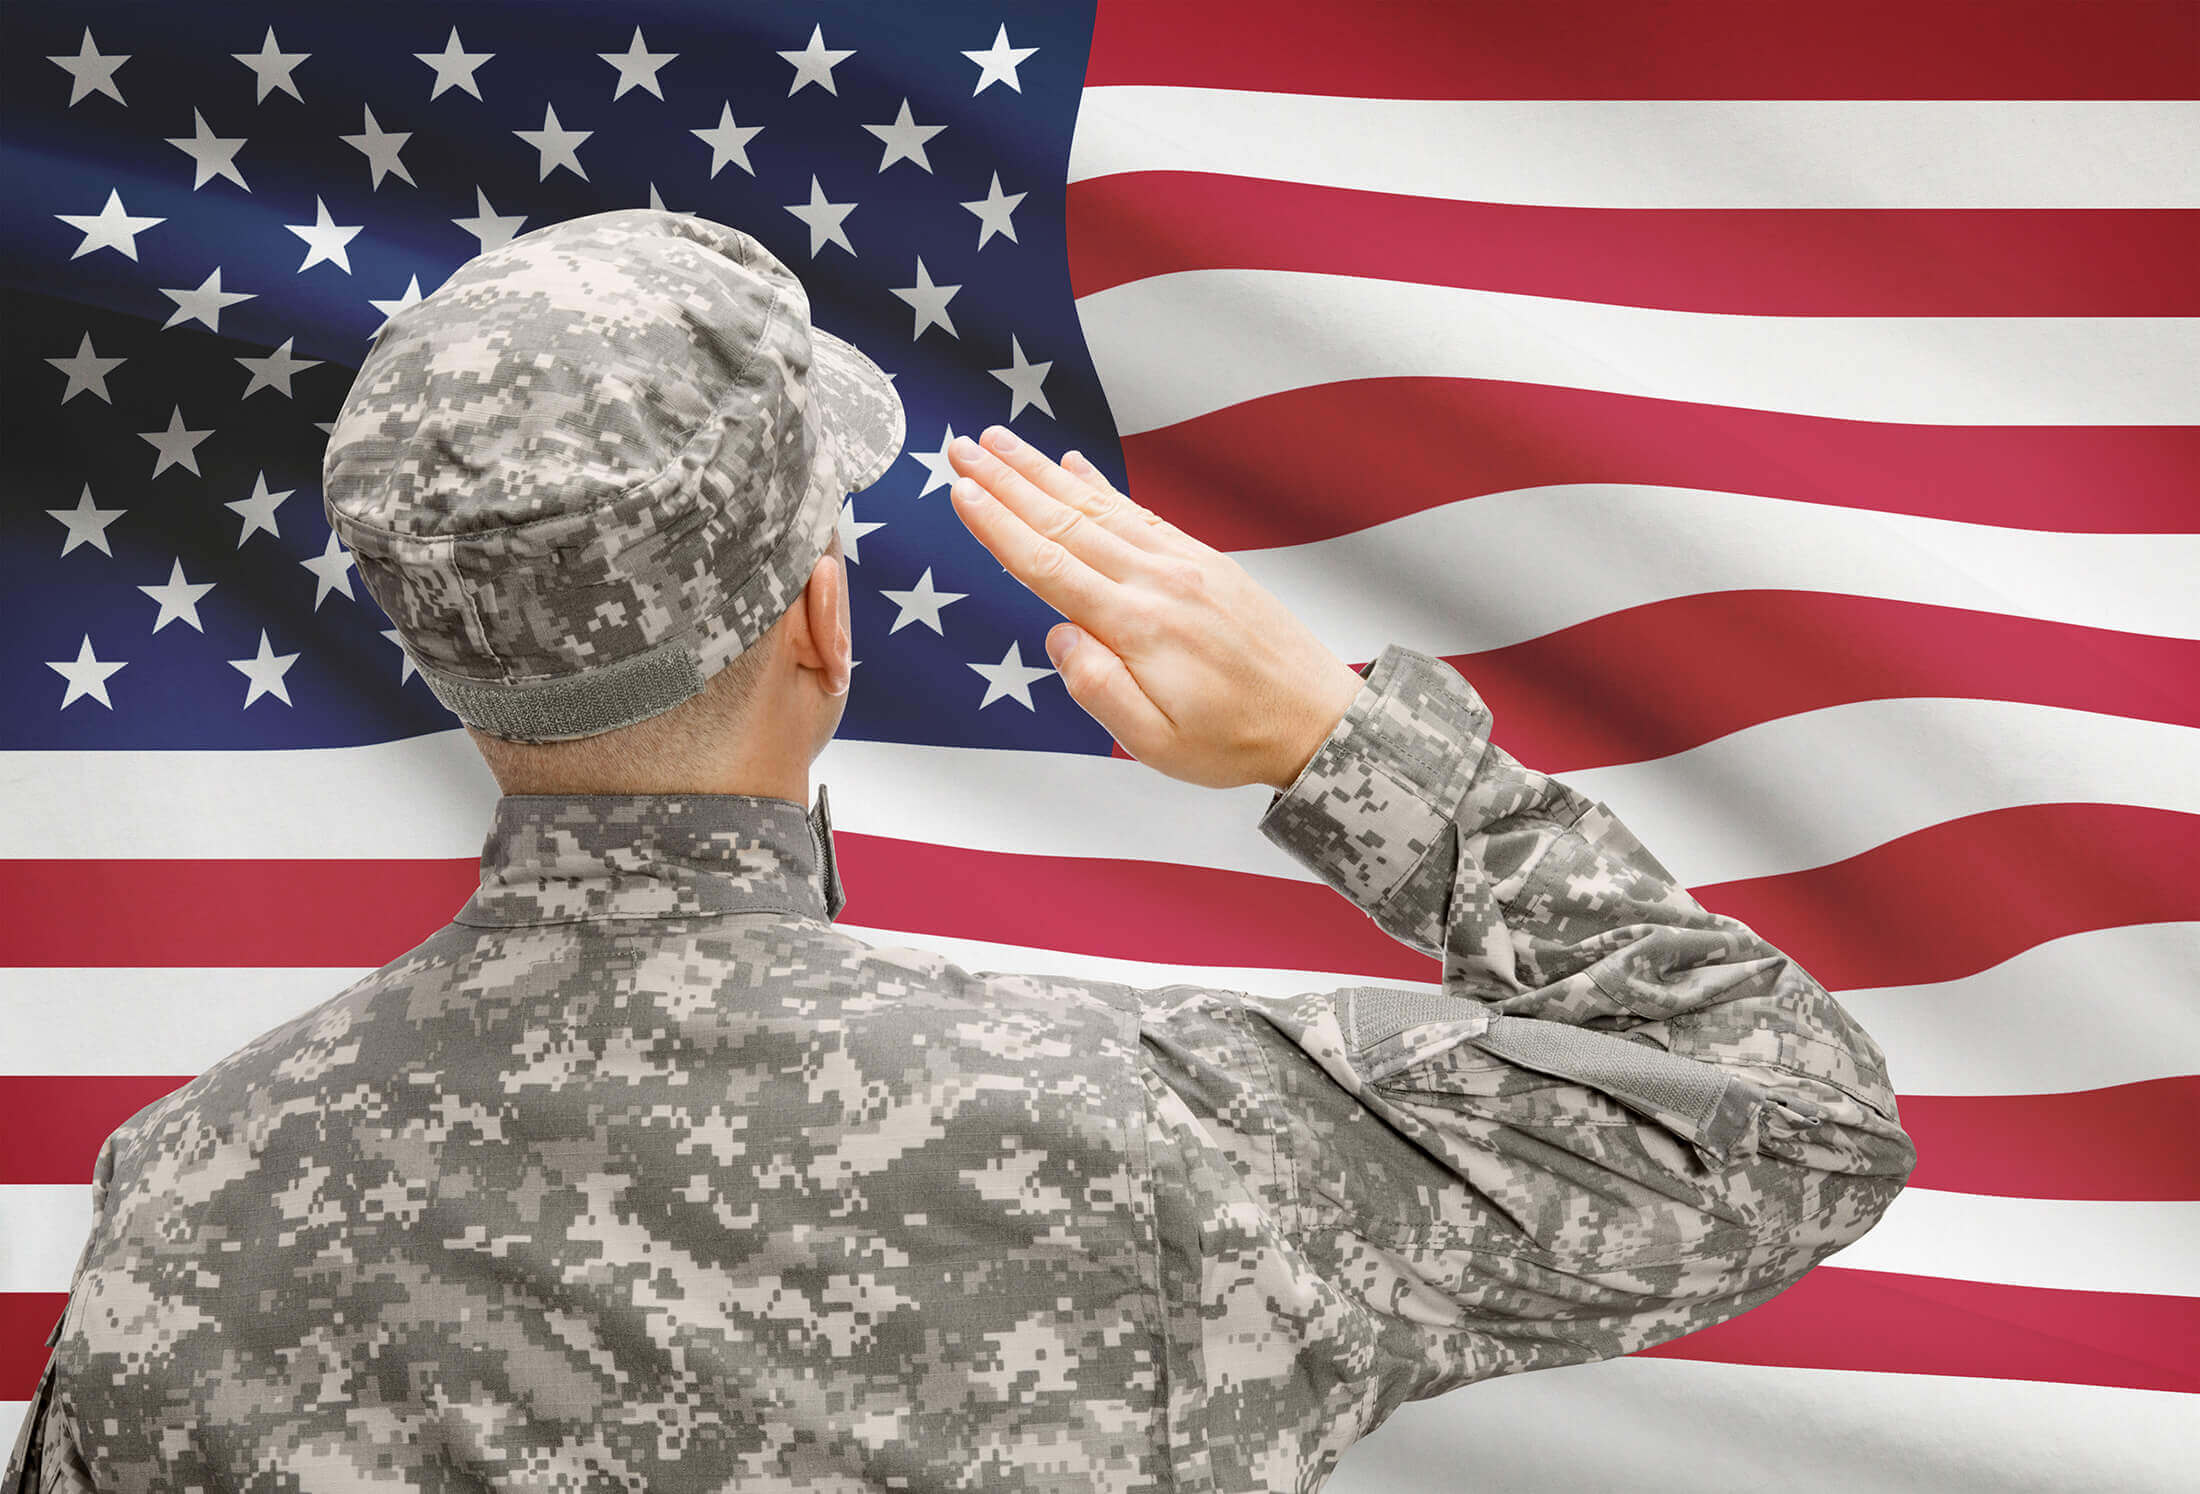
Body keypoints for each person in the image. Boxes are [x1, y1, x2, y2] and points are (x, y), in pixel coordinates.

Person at [6, 208, 1916, 1493]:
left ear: (434, 636)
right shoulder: (1167, 1135)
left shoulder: (188, 1195)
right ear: (821, 621)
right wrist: (1346, 748)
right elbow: (1790, 1118)